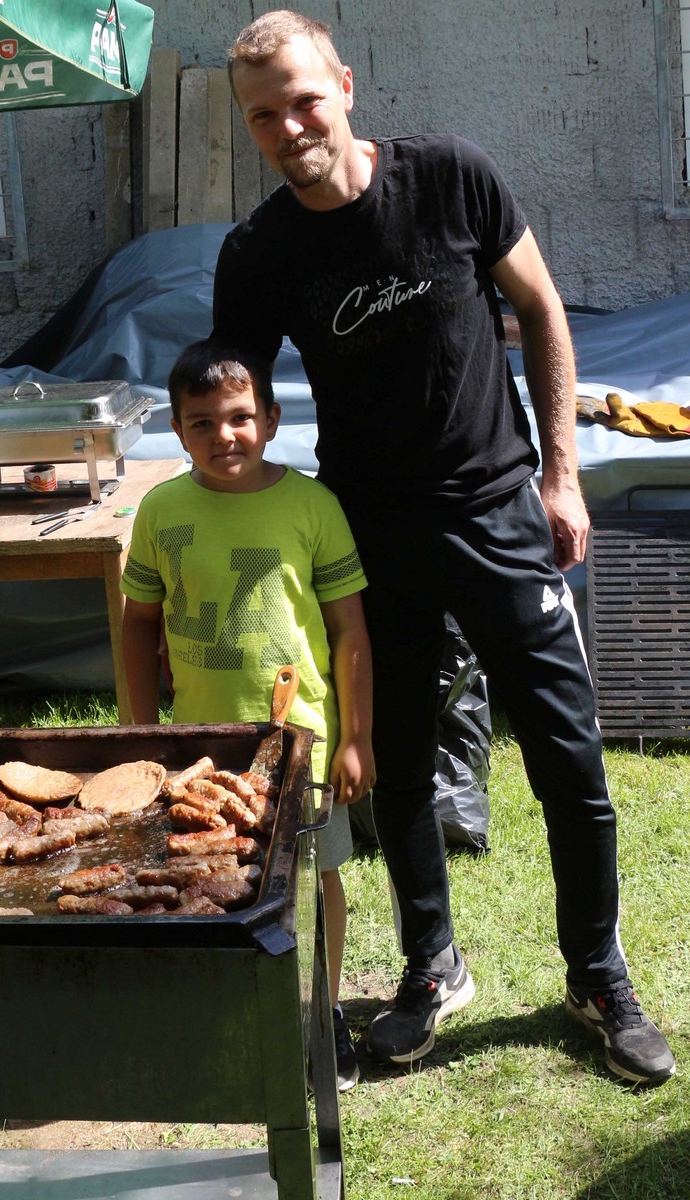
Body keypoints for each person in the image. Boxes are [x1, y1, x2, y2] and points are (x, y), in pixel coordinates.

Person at [212, 10, 675, 1086]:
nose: (289, 126)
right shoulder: (260, 253)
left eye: (303, 99)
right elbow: (231, 404)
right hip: (371, 533)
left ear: (347, 84)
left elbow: (544, 312)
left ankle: (597, 975)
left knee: (570, 760)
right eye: (263, 116)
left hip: (500, 511)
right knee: (403, 772)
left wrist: (560, 473)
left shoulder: (453, 178)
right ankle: (432, 968)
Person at [121, 337, 376, 1091]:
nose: (222, 436)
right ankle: (223, 1005)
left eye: (238, 417)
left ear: (268, 416)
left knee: (313, 878)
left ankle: (320, 1012)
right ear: (175, 430)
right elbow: (138, 625)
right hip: (202, 750)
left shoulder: (313, 506)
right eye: (200, 423)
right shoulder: (161, 511)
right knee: (206, 875)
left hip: (303, 743)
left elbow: (349, 630)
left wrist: (356, 737)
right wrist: (140, 735)